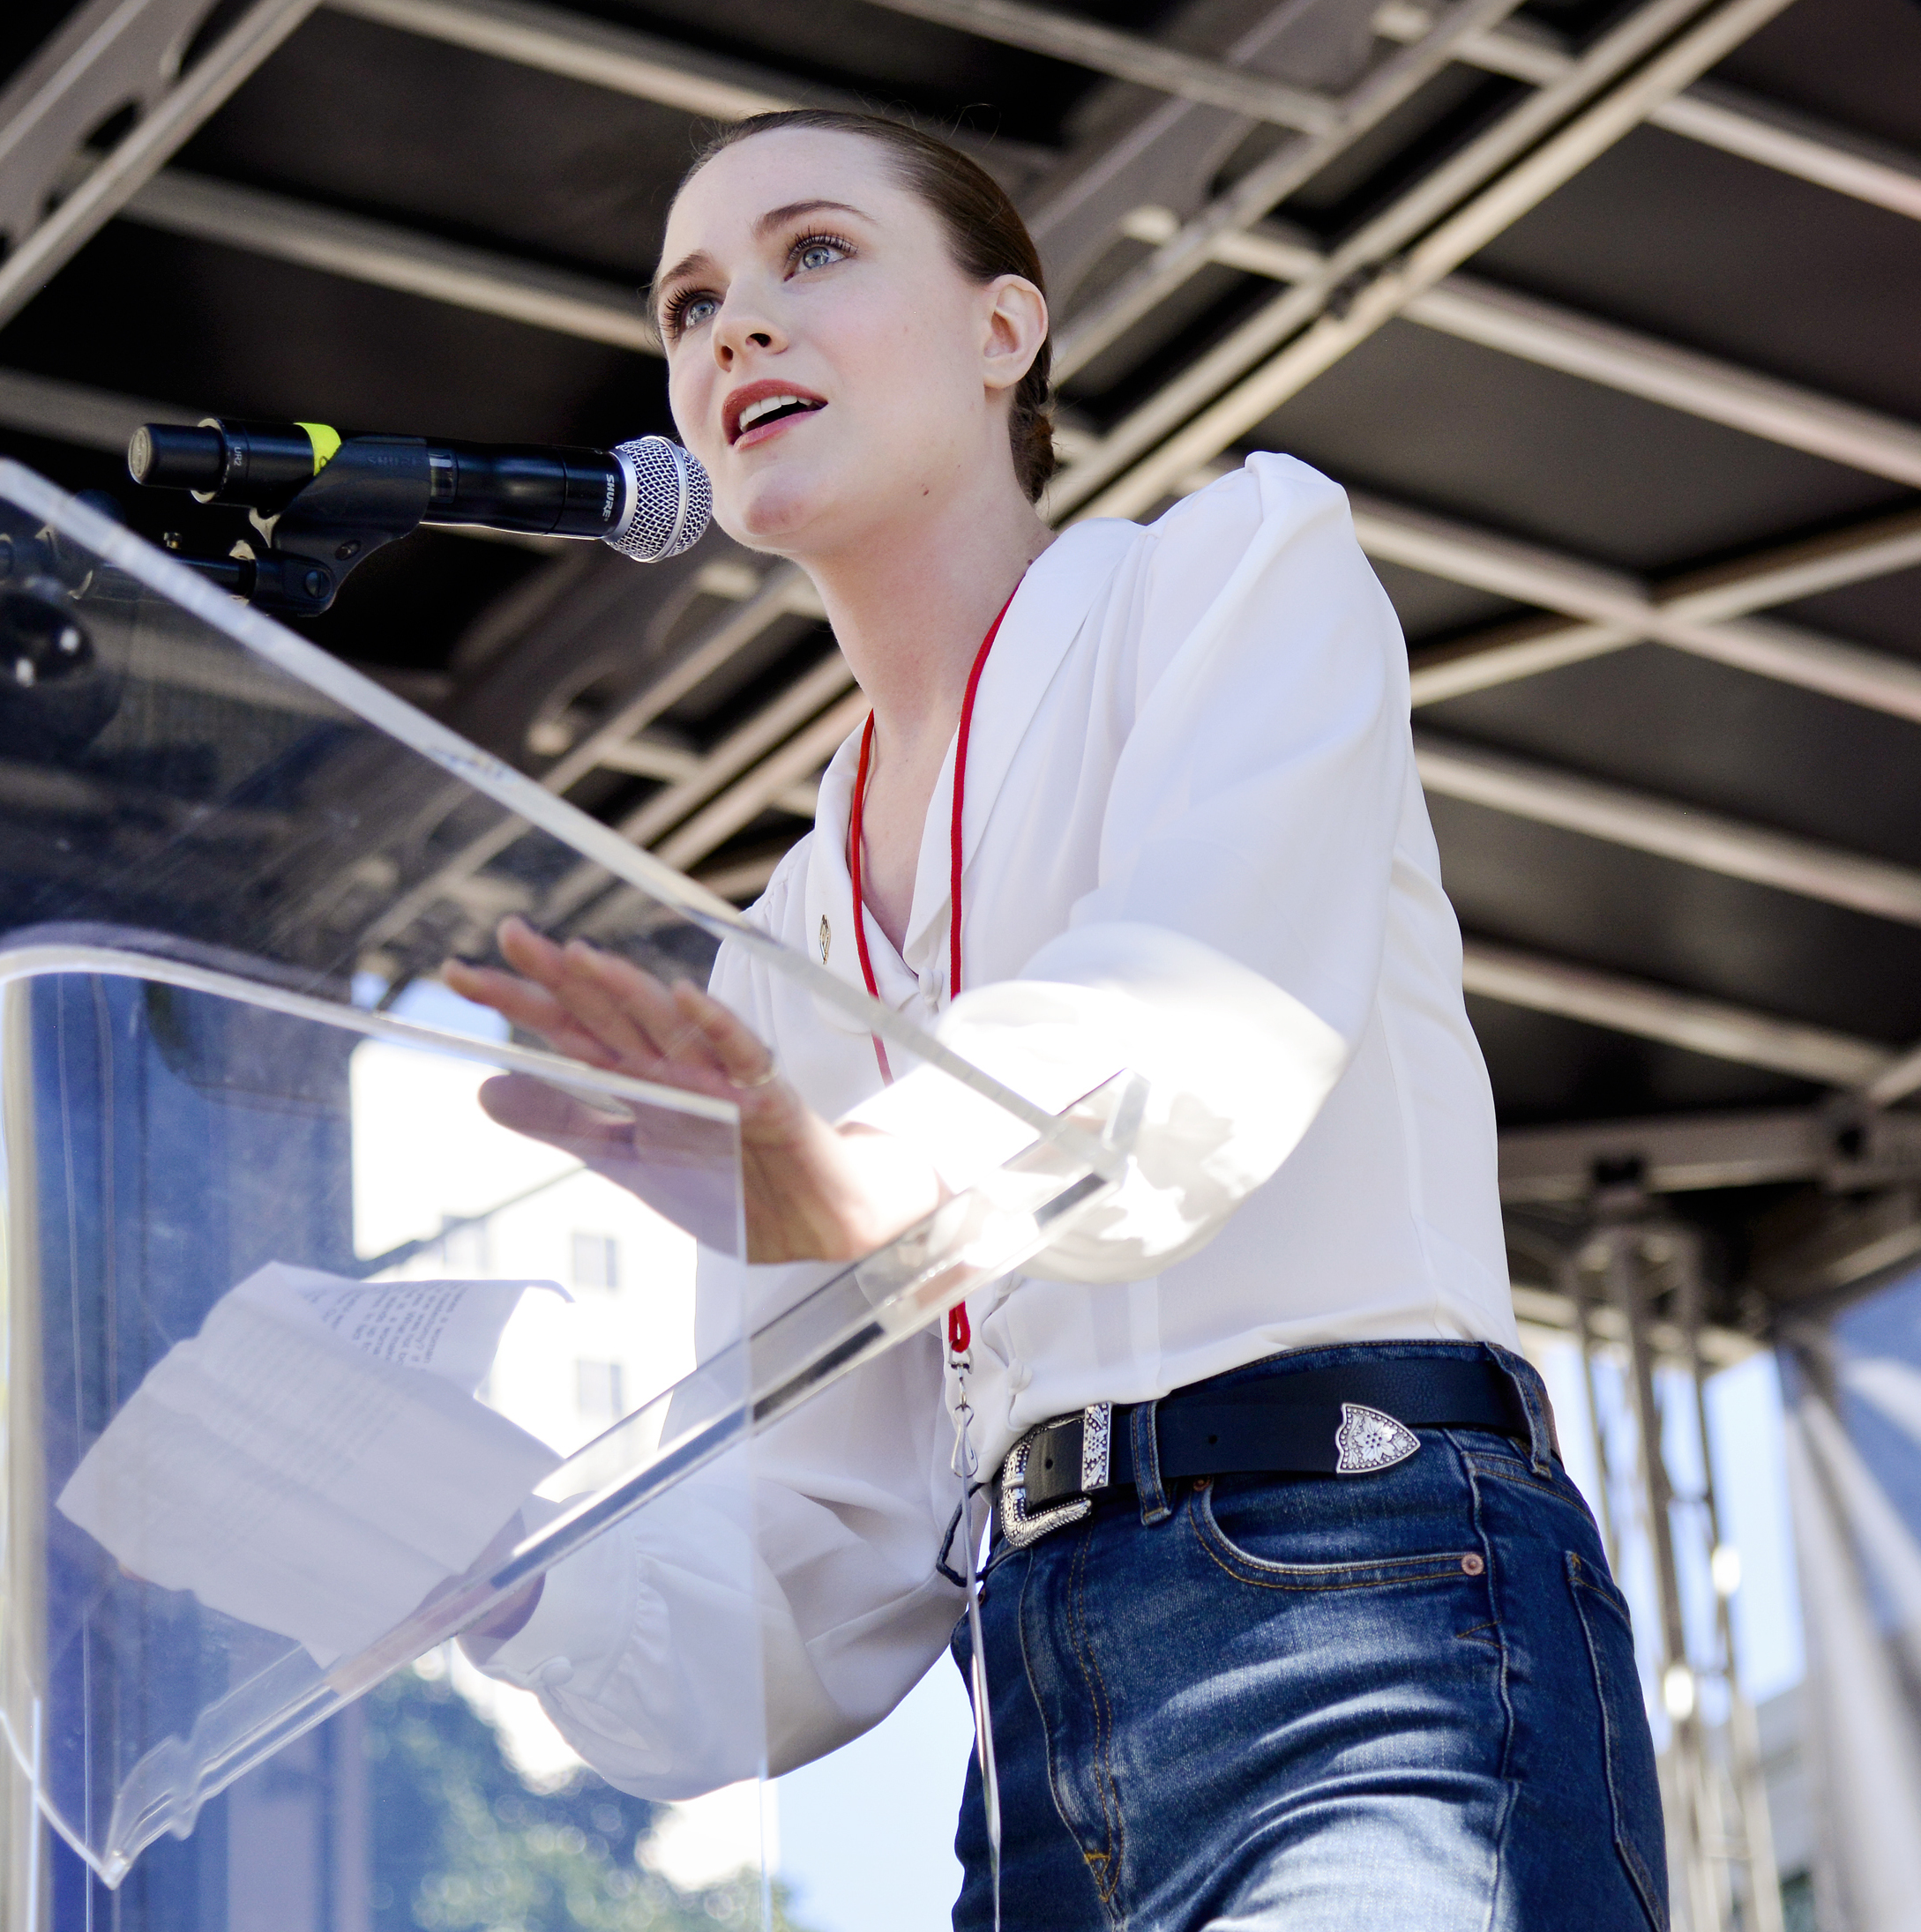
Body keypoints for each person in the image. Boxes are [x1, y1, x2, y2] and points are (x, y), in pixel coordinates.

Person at [444, 108, 1666, 1932]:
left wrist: (845, 1184)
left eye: (815, 256)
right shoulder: (783, 941)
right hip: (1026, 1706)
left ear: (1006, 328)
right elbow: (833, 1545)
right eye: (689, 305)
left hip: (1361, 1597)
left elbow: (1189, 1013)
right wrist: (506, 1573)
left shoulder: (1234, 573)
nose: (732, 332)